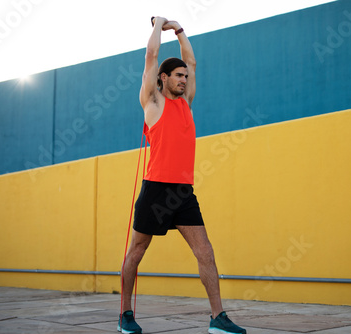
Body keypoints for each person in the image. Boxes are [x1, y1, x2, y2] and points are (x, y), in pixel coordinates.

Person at [118, 17, 247, 334]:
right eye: (178, 76)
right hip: (156, 190)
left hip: (183, 193)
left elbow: (191, 59)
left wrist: (179, 30)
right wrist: (158, 24)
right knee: (136, 252)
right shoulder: (152, 102)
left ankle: (217, 318)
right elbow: (150, 56)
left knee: (206, 252)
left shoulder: (186, 104)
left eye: (185, 77)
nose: (184, 79)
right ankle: (125, 314)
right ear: (163, 77)